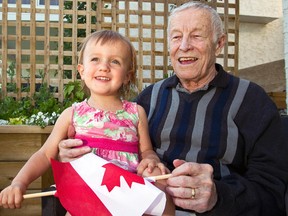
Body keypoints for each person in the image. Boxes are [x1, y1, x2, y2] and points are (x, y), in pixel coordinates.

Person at [54, 2, 288, 216]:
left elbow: (273, 191)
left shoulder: (252, 101)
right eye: (176, 37)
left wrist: (218, 195)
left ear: (219, 44)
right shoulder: (146, 100)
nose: (184, 46)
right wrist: (77, 156)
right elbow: (115, 154)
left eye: (196, 36)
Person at [0, 30, 174, 215]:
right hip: (85, 196)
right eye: (95, 59)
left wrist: (150, 159)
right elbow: (44, 154)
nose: (104, 67)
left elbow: (146, 150)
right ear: (82, 71)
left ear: (127, 76)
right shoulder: (72, 114)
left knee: (162, 195)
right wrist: (19, 183)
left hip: (125, 195)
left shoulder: (136, 113)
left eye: (115, 61)